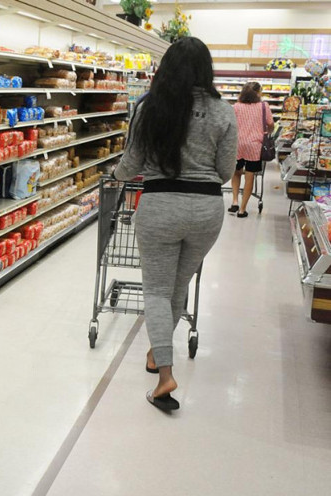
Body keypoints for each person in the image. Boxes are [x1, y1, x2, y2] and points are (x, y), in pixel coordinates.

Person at [114, 37, 238, 412]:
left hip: (160, 208)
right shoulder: (223, 111)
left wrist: (116, 174)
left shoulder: (149, 108)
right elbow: (225, 171)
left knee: (156, 291)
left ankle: (165, 375)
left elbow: (130, 165)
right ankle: (157, 352)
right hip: (206, 211)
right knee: (178, 286)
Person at [229, 81, 274, 218]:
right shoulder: (263, 106)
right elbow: (270, 124)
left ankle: (235, 201)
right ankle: (242, 210)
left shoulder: (236, 106)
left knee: (236, 172)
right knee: (250, 176)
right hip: (255, 146)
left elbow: (230, 124)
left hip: (237, 144)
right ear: (258, 93)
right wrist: (268, 132)